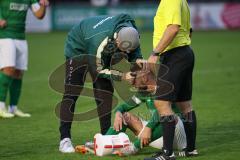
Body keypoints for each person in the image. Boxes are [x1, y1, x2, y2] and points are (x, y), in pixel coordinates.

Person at [59, 13, 143, 153]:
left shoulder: (131, 31)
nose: (126, 53)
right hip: (78, 47)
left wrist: (138, 60)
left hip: (100, 45)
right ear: (117, 41)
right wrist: (122, 76)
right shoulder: (100, 42)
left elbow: (135, 51)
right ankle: (64, 139)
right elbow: (98, 70)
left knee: (105, 93)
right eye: (123, 49)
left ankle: (106, 136)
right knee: (72, 91)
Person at [145, 0, 198, 159]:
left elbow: (173, 28)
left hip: (174, 56)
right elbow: (188, 29)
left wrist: (155, 53)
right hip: (183, 53)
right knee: (184, 104)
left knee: (161, 102)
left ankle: (167, 153)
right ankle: (190, 149)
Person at [103, 69, 187, 156]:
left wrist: (148, 128)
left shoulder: (166, 88)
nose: (133, 84)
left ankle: (133, 148)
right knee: (125, 116)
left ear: (145, 78)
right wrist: (118, 113)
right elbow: (123, 107)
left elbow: (163, 112)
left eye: (135, 81)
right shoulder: (143, 93)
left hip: (175, 137)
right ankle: (104, 142)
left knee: (169, 117)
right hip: (154, 137)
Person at [0, 0, 49, 118]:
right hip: (5, 35)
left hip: (21, 36)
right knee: (8, 69)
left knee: (18, 72)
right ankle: (1, 107)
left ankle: (13, 107)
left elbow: (39, 15)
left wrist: (43, 5)